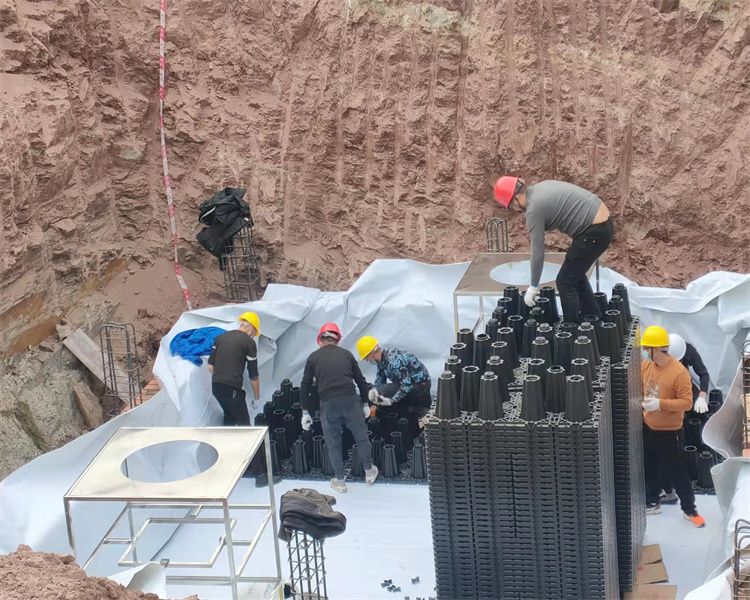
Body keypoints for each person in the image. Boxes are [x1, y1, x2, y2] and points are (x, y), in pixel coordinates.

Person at [494, 177, 614, 324]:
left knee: (565, 282)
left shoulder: (534, 209)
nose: (515, 210)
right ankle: (594, 318)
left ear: (517, 197)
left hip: (593, 232)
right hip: (603, 225)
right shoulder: (541, 187)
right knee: (574, 274)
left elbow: (538, 254)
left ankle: (571, 331)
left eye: (512, 206)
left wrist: (533, 287)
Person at [300, 323, 378, 493]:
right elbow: (360, 380)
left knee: (333, 442)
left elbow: (305, 386)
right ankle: (369, 471)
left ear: (320, 340)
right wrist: (365, 403)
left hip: (328, 404)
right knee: (361, 436)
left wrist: (305, 412)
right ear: (337, 340)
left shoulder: (313, 358)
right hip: (350, 400)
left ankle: (341, 481)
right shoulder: (347, 354)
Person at [640, 325, 705, 527]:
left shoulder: (678, 373)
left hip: (670, 433)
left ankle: (690, 510)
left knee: (678, 472)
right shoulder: (647, 366)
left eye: (647, 348)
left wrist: (661, 404)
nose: (644, 352)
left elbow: (686, 403)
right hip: (649, 427)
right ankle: (652, 501)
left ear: (657, 349)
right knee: (651, 467)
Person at [208, 312, 276, 486]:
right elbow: (253, 376)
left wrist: (223, 377)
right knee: (247, 430)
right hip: (232, 390)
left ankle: (225, 467)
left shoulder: (220, 338)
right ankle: (259, 473)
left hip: (217, 388)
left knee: (229, 424)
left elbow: (210, 367)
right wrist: (257, 397)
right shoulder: (248, 343)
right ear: (252, 328)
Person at [356, 336, 432, 437]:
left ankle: (419, 411)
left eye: (366, 358)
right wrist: (372, 393)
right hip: (409, 387)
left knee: (385, 391)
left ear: (371, 354)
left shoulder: (394, 361)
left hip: (421, 389)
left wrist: (392, 401)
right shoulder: (382, 362)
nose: (367, 361)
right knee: (380, 392)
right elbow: (380, 380)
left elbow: (406, 385)